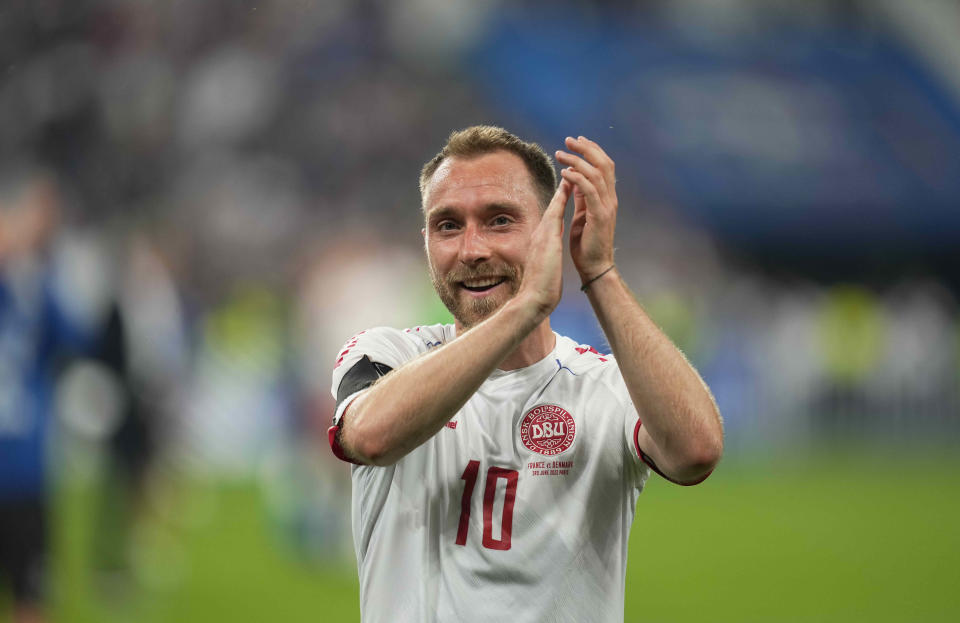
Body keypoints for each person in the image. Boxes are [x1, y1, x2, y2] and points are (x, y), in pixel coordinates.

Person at [328, 126, 724, 622]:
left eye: (499, 221)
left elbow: (696, 453)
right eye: (448, 225)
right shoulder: (386, 354)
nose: (471, 249)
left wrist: (598, 271)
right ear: (426, 241)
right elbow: (369, 437)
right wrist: (526, 306)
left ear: (550, 234)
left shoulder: (603, 385)